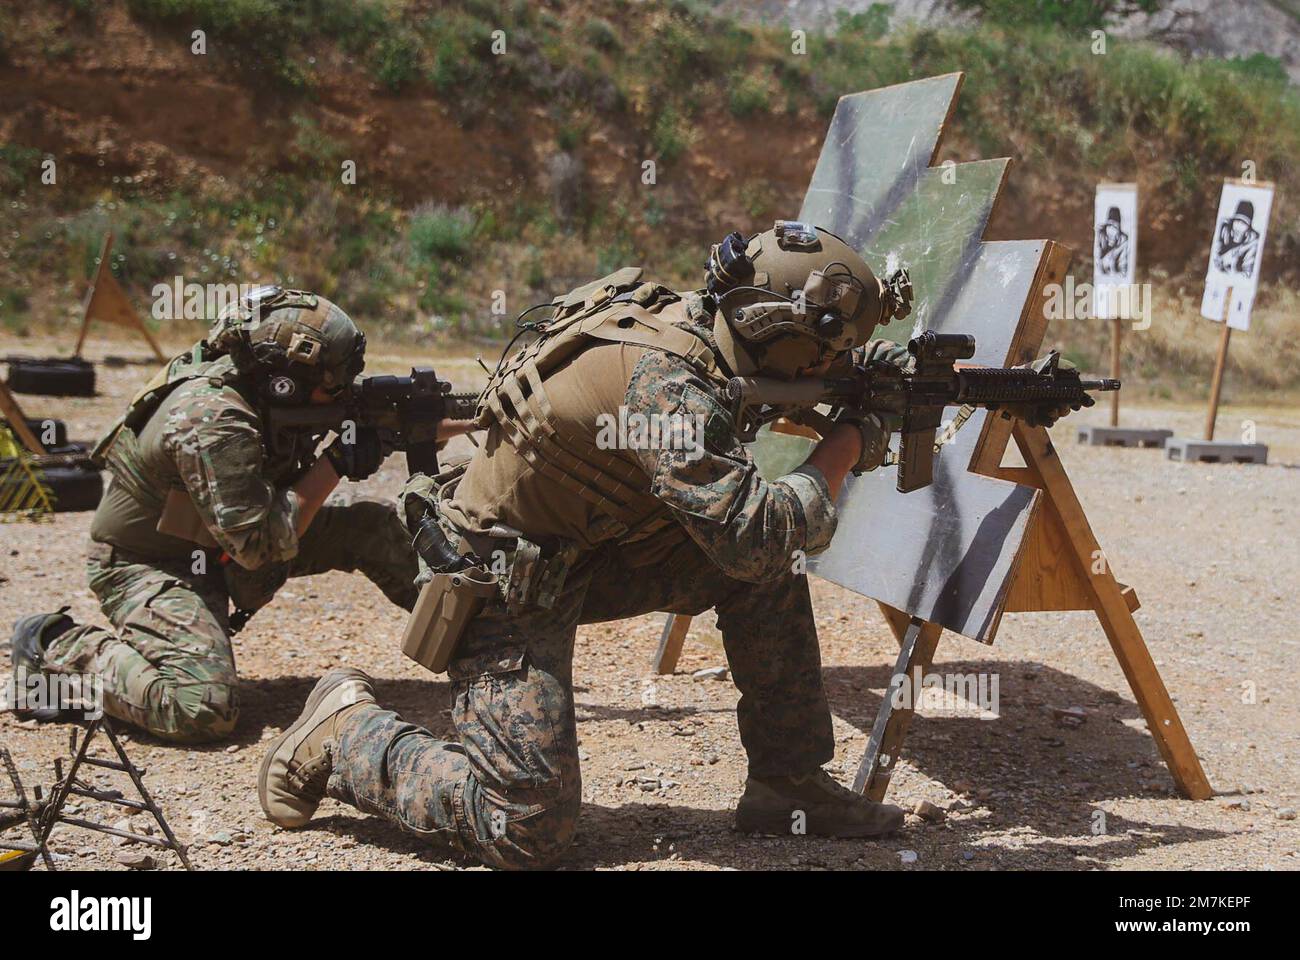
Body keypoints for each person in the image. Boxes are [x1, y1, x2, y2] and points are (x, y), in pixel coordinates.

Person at [260, 222, 1079, 868]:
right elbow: (757, 534)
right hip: (502, 580)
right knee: (525, 829)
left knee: (757, 571)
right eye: (826, 349)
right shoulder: (667, 385)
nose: (833, 363)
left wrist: (873, 381)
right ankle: (346, 734)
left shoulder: (706, 326)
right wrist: (853, 440)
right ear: (782, 329)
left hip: (584, 542)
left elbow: (766, 448)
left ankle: (787, 781)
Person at [11, 287, 417, 743]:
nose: (340, 394)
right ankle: (55, 645)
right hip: (147, 563)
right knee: (201, 708)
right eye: (332, 385)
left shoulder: (262, 392)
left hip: (216, 542)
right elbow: (258, 547)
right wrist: (337, 462)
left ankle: (473, 639)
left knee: (370, 528)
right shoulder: (213, 418)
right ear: (283, 381)